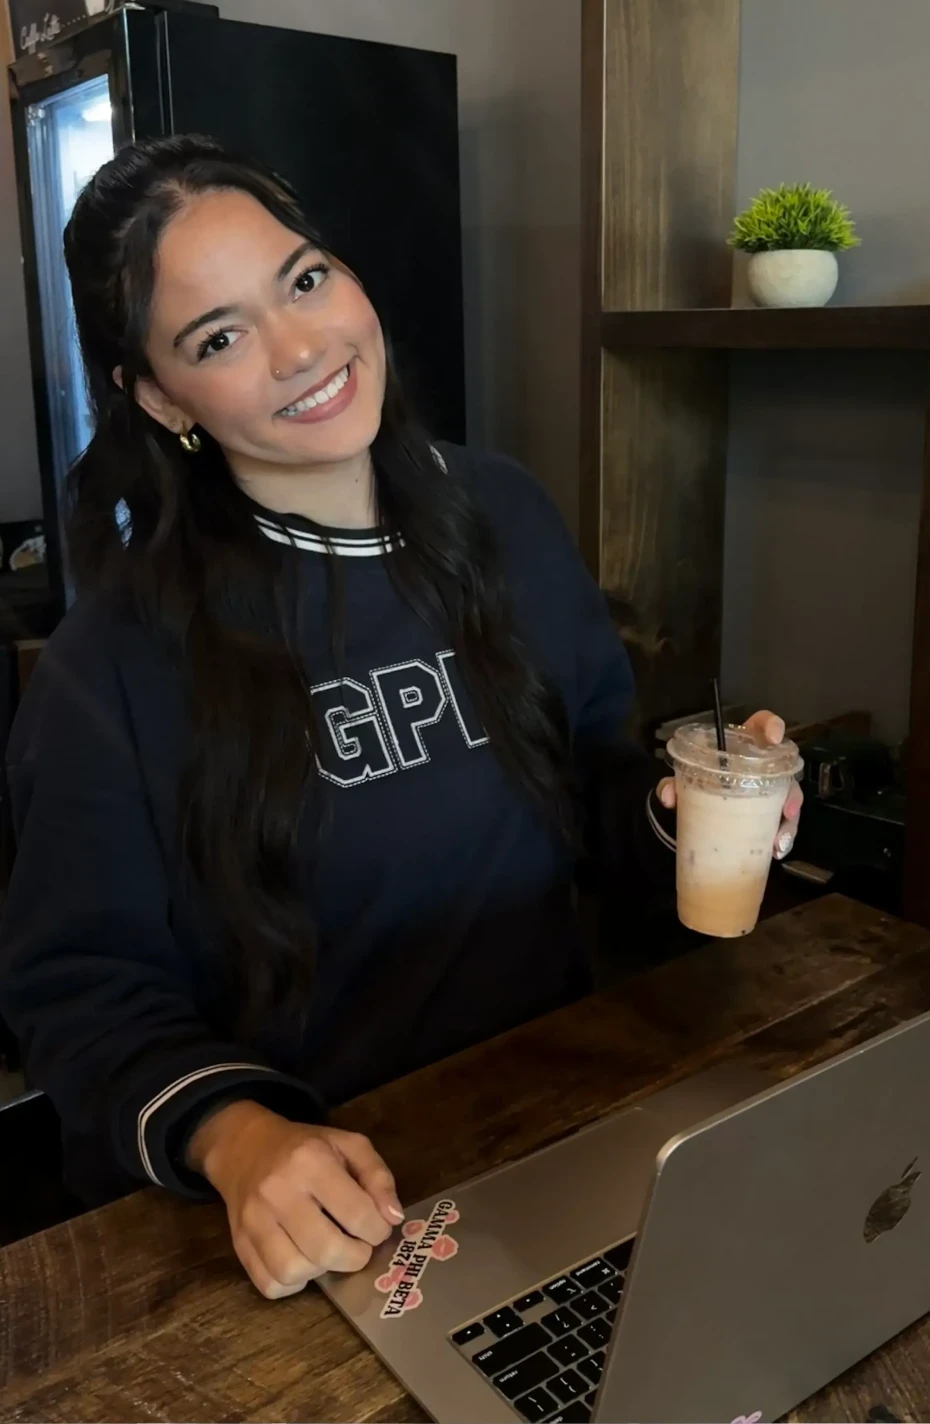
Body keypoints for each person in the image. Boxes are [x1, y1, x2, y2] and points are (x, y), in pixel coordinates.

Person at [0, 136, 801, 1300]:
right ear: (159, 394)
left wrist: (686, 809)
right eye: (217, 338)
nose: (304, 347)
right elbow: (78, 987)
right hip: (319, 1224)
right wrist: (235, 1135)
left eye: (306, 278)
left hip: (555, 1142)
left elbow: (591, 788)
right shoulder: (113, 662)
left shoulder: (505, 513)